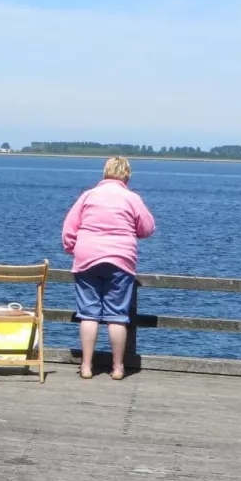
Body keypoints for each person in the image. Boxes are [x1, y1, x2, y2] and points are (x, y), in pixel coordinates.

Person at [61, 156, 156, 380]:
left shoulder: (89, 195)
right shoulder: (131, 198)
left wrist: (73, 248)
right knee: (117, 316)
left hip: (87, 257)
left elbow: (69, 228)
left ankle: (86, 366)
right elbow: (148, 227)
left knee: (88, 314)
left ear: (105, 173)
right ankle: (118, 367)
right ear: (127, 175)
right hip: (120, 259)